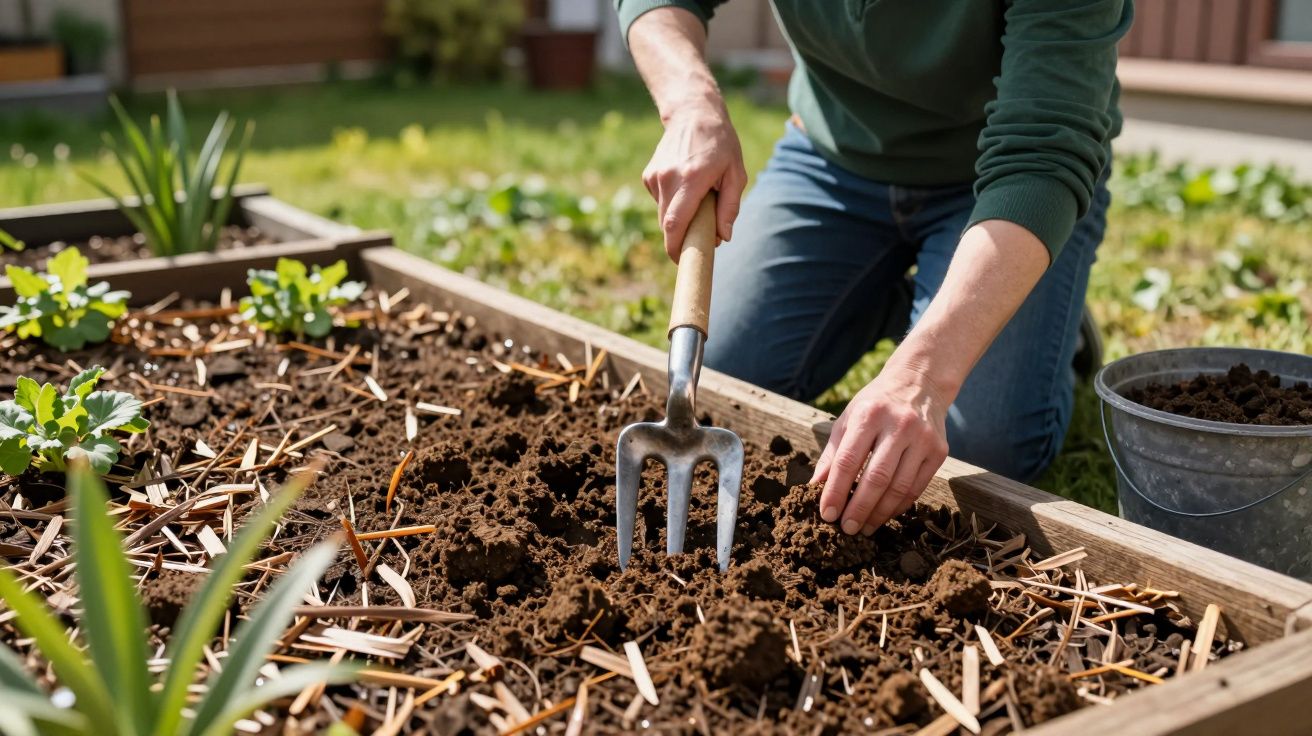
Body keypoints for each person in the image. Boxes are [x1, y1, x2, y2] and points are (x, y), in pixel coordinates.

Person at [615, 1, 1132, 536]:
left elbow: (1042, 155)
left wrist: (923, 376)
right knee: (722, 377)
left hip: (1004, 181)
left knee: (980, 449)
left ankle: (1022, 298)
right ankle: (916, 300)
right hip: (833, 162)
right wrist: (691, 103)